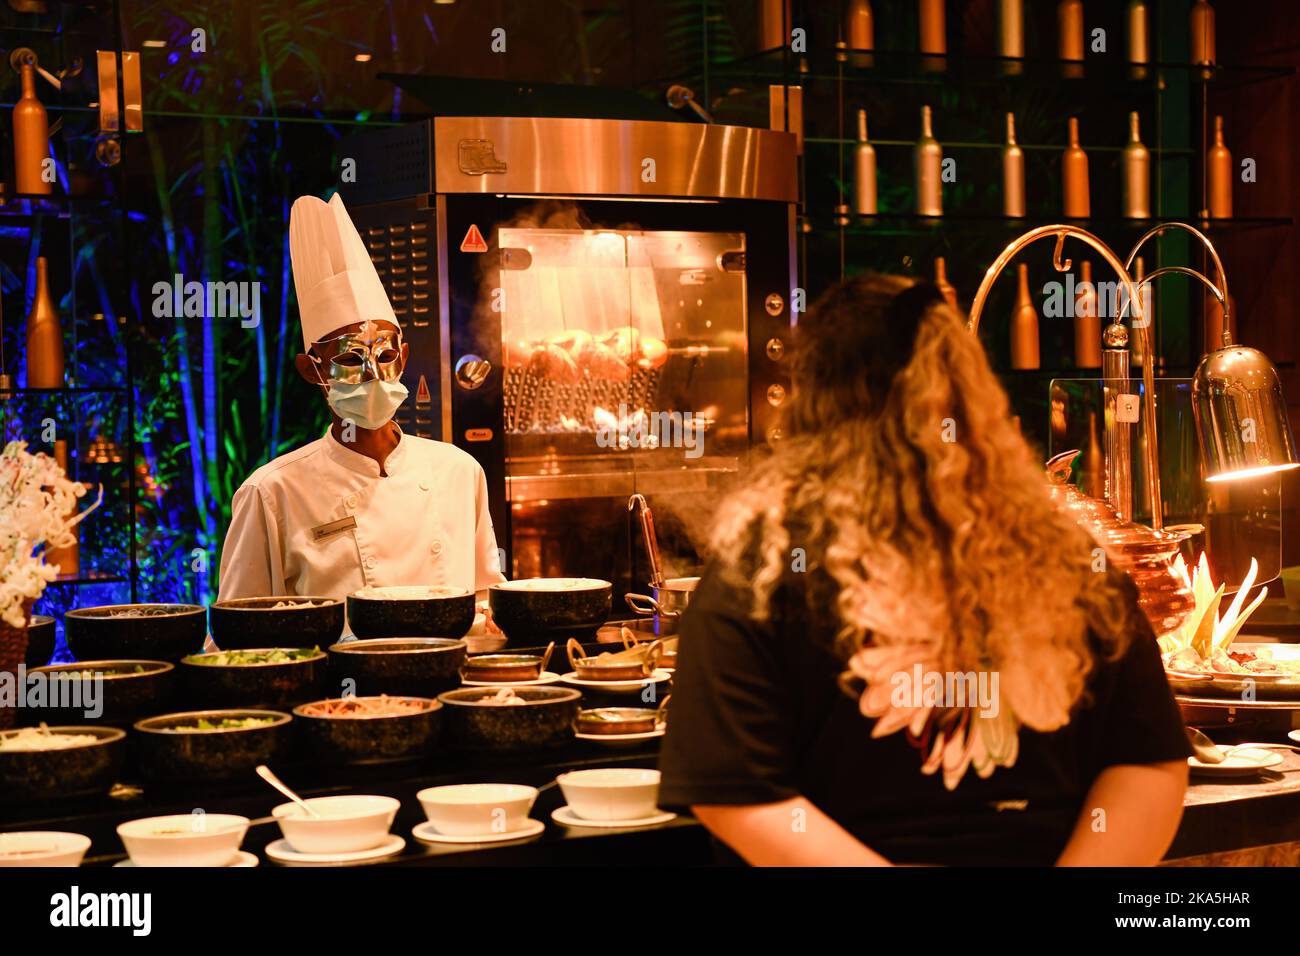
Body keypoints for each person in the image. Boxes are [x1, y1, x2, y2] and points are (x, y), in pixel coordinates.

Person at [658, 274, 1190, 866]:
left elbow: (737, 794)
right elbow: (1149, 763)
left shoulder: (756, 569)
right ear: (973, 396)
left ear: (812, 404)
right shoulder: (1068, 552)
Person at [217, 193, 506, 613]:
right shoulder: (271, 493)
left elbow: (485, 600)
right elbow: (243, 629)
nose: (372, 374)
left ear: (403, 358)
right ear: (312, 370)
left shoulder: (459, 471)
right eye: (350, 359)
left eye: (385, 356)